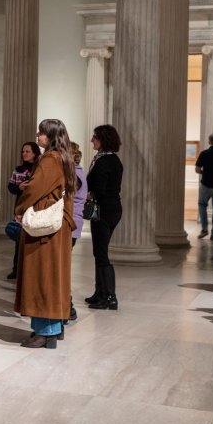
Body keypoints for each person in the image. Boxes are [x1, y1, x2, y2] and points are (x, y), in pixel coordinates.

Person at [14, 119, 76, 349]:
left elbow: (35, 188)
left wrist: (20, 208)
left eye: (41, 133)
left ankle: (45, 332)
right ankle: (55, 328)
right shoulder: (65, 157)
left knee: (42, 276)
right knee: (54, 275)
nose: (38, 136)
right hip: (57, 226)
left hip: (44, 229)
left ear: (51, 136)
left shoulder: (50, 159)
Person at [84, 124, 123, 310]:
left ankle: (110, 296)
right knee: (99, 251)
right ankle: (100, 292)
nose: (92, 140)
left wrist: (85, 195)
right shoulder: (113, 159)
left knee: (101, 253)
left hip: (104, 211)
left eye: (95, 137)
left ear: (103, 139)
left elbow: (99, 190)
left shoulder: (103, 161)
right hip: (113, 209)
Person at [5, 142, 41, 280]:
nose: (24, 154)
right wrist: (19, 187)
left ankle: (31, 270)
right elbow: (11, 187)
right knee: (19, 239)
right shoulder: (19, 169)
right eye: (23, 151)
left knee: (32, 239)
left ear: (35, 153)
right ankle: (17, 269)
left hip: (35, 208)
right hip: (21, 207)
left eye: (27, 151)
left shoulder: (39, 169)